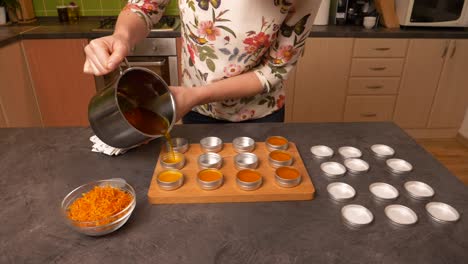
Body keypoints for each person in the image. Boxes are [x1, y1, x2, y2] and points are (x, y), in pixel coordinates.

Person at [83, 0, 321, 124]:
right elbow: (146, 6)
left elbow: (274, 70)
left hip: (260, 113)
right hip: (194, 107)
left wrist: (195, 95)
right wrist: (121, 36)